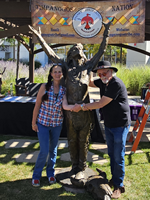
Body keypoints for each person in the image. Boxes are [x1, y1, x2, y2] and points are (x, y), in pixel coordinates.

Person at [29, 18, 114, 181]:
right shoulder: (65, 69)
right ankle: (74, 166)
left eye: (79, 51)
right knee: (72, 141)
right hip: (69, 116)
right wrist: (40, 38)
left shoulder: (87, 67)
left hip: (84, 114)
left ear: (81, 55)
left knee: (83, 142)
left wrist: (106, 32)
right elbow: (51, 54)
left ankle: (81, 167)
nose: (76, 54)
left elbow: (101, 51)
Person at [72, 60, 131, 199]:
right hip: (110, 124)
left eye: (105, 72)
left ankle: (119, 186)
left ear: (112, 72)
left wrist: (81, 107)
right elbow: (91, 83)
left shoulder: (115, 83)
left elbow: (100, 103)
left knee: (118, 155)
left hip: (120, 125)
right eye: (100, 73)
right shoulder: (102, 81)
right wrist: (89, 70)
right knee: (112, 153)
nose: (103, 75)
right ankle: (114, 180)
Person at [31, 64, 74, 187]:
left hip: (56, 124)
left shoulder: (63, 89)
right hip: (43, 123)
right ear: (51, 74)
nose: (57, 74)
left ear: (62, 74)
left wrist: (78, 107)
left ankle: (50, 173)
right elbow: (37, 105)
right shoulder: (44, 87)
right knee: (44, 151)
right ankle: (36, 176)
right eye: (55, 72)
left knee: (53, 151)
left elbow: (65, 105)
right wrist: (33, 122)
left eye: (59, 72)